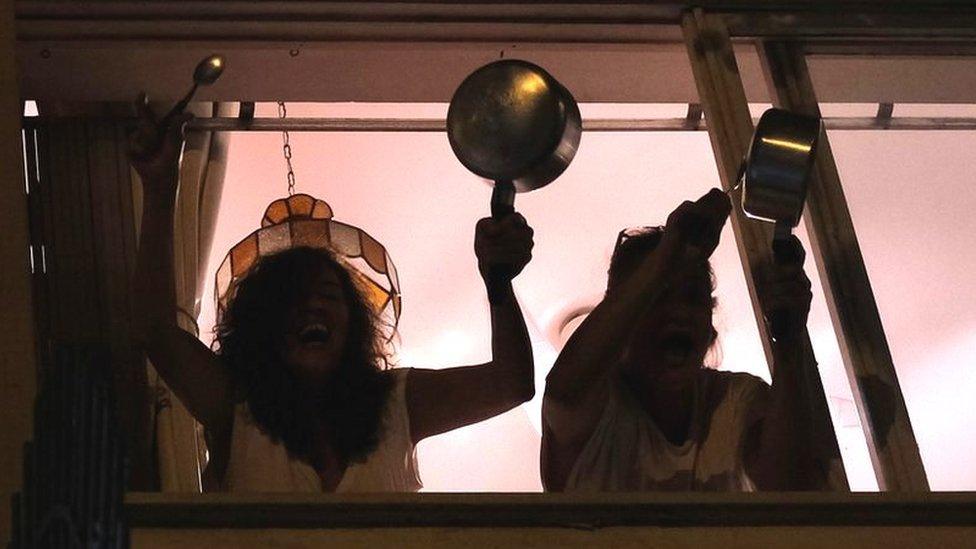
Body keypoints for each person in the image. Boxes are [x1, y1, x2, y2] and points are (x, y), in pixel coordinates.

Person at [129, 96, 535, 492]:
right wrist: (161, 186)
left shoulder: (397, 403)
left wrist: (497, 280)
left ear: (353, 321)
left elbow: (510, 384)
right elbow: (156, 331)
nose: (312, 304)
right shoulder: (235, 405)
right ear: (262, 323)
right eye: (290, 297)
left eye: (328, 293)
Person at [542, 188, 824, 492]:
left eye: (692, 297)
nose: (678, 312)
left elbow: (790, 490)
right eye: (657, 298)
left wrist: (790, 340)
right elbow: (565, 391)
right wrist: (668, 254)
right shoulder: (598, 412)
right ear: (623, 319)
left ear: (709, 324)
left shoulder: (734, 400)